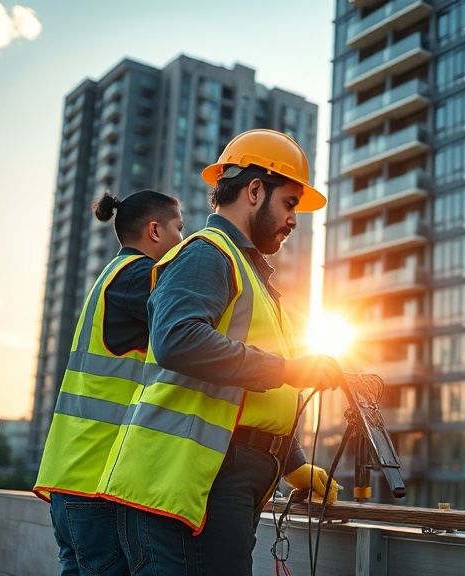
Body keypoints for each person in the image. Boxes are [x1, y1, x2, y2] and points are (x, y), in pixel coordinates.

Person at [100, 129, 345, 576]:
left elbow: (247, 394)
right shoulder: (206, 255)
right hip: (192, 482)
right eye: (290, 204)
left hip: (224, 478)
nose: (294, 220)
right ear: (255, 190)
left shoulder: (250, 274)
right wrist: (290, 368)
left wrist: (292, 465)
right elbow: (177, 339)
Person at [33, 189, 184, 576]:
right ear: (155, 230)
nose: (183, 240)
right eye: (179, 229)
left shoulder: (111, 275)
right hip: (95, 483)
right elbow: (192, 307)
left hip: (68, 476)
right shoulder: (139, 276)